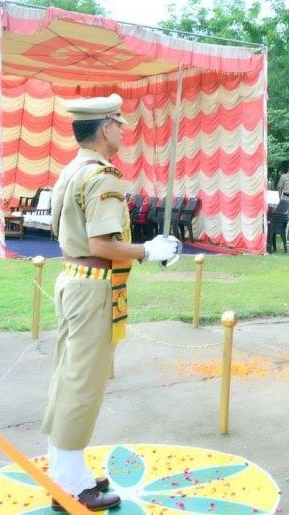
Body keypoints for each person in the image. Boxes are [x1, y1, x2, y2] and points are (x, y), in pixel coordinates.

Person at [41, 94, 180, 511]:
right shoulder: (102, 176)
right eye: (118, 122)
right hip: (93, 285)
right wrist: (149, 250)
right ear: (104, 128)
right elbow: (104, 243)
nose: (123, 129)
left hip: (75, 279)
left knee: (69, 377)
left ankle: (68, 469)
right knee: (83, 385)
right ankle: (68, 486)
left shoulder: (73, 169)